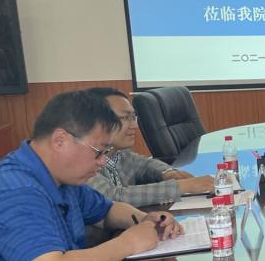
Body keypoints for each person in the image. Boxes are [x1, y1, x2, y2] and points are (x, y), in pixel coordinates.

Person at [0, 90, 182, 261]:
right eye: (99, 151)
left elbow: (107, 211)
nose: (102, 162)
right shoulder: (15, 192)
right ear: (60, 140)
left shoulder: (60, 176)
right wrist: (127, 244)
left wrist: (143, 219)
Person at [87, 87, 215, 207]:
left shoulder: (117, 152)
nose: (134, 126)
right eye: (125, 118)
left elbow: (144, 165)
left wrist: (168, 173)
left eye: (133, 118)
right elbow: (113, 197)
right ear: (96, 122)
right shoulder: (83, 160)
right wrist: (181, 187)